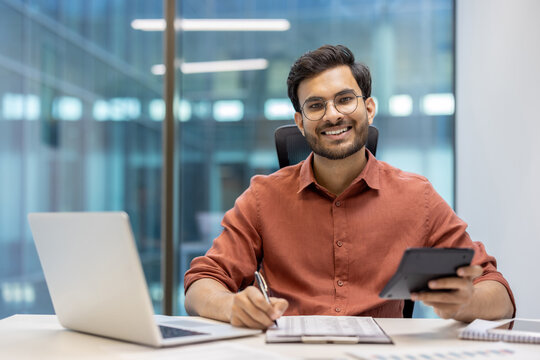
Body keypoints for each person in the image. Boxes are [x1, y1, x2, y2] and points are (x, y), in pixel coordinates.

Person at [184, 44, 515, 329]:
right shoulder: (263, 197)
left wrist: (466, 301)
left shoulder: (416, 197)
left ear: (368, 109)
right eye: (315, 106)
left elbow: (499, 295)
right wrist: (232, 306)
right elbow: (201, 283)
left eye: (344, 99)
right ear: (300, 123)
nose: (332, 115)